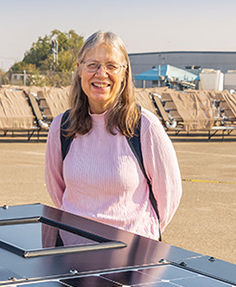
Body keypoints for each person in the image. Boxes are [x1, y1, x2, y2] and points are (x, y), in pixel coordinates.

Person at [44, 31, 181, 241]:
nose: (101, 74)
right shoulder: (62, 127)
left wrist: (138, 239)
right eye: (92, 65)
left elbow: (169, 196)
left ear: (124, 73)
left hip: (130, 263)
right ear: (79, 70)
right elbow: (57, 190)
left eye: (111, 66)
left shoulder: (145, 127)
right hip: (72, 258)